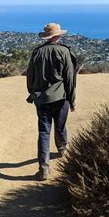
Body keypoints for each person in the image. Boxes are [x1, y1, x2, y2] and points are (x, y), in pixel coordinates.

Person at [26, 23, 77, 181]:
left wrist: (33, 93)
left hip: (42, 100)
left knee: (44, 132)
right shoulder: (64, 51)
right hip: (61, 98)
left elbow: (30, 76)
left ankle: (44, 170)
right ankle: (62, 149)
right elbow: (69, 78)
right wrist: (72, 99)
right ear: (58, 36)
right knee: (60, 126)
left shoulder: (37, 53)